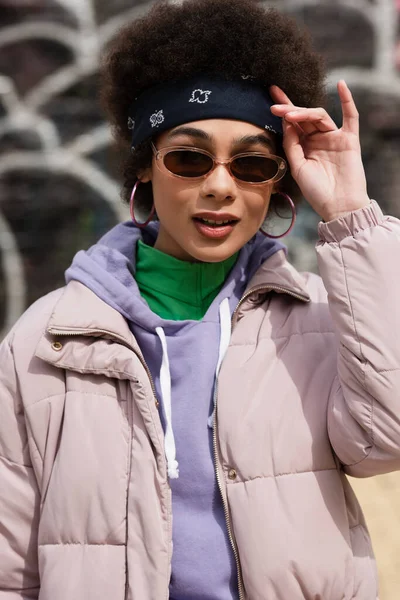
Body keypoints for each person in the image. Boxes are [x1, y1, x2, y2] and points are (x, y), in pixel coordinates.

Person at [0, 0, 399, 598]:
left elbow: (387, 438)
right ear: (145, 168)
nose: (219, 185)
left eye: (252, 164)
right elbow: (11, 572)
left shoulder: (318, 323)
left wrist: (348, 214)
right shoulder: (43, 344)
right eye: (189, 158)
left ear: (277, 183)